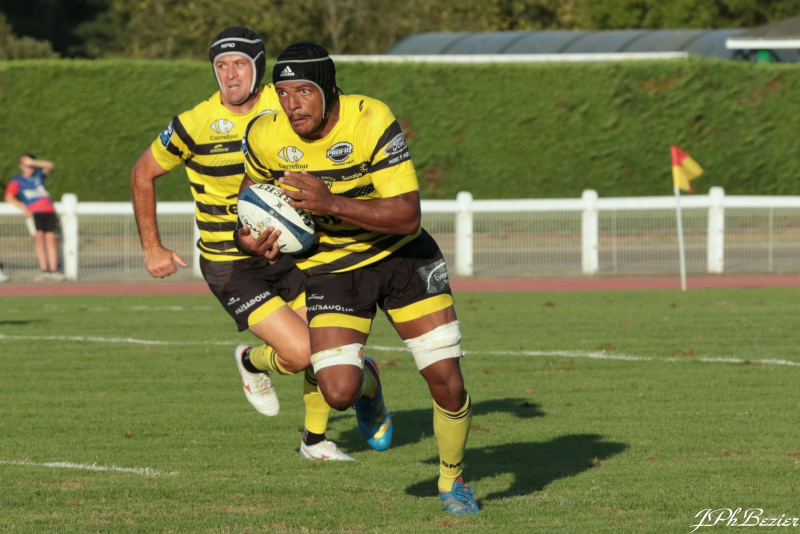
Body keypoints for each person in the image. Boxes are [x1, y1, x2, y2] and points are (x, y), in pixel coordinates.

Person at [240, 42, 479, 515]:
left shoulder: (370, 119)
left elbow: (407, 216)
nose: (292, 104)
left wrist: (329, 203)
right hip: (332, 268)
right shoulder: (265, 134)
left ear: (329, 89)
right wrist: (248, 238)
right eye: (283, 92)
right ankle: (370, 388)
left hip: (403, 259)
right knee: (338, 393)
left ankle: (452, 480)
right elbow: (250, 200)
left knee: (446, 381)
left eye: (303, 91)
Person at [130, 27, 352, 461]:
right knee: (301, 352)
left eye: (239, 64)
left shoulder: (285, 106)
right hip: (230, 262)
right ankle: (251, 361)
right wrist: (152, 247)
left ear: (259, 67)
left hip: (290, 253)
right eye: (221, 65)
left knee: (327, 346)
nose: (230, 74)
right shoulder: (193, 124)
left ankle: (314, 441)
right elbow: (142, 173)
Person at [5, 155, 65, 282]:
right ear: (21, 166)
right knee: (39, 239)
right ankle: (44, 270)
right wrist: (22, 207)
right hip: (34, 212)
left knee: (51, 239)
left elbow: (49, 164)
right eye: (26, 165)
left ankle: (54, 270)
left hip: (48, 210)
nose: (29, 167)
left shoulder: (38, 175)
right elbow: (9, 197)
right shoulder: (17, 180)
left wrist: (33, 162)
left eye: (31, 165)